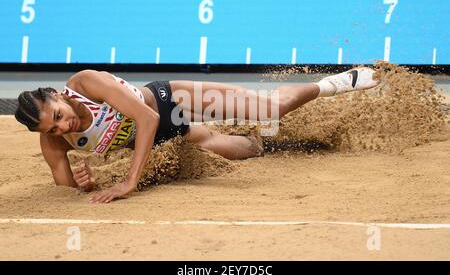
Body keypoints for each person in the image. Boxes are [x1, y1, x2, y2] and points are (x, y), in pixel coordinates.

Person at [14, 68, 379, 203]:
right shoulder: (53, 142)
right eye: (53, 129)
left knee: (269, 109)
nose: (63, 128)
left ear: (59, 95)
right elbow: (63, 189)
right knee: (246, 149)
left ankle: (332, 84)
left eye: (58, 117)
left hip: (165, 99)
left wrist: (128, 183)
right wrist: (86, 184)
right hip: (162, 135)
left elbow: (145, 118)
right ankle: (261, 139)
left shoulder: (86, 83)